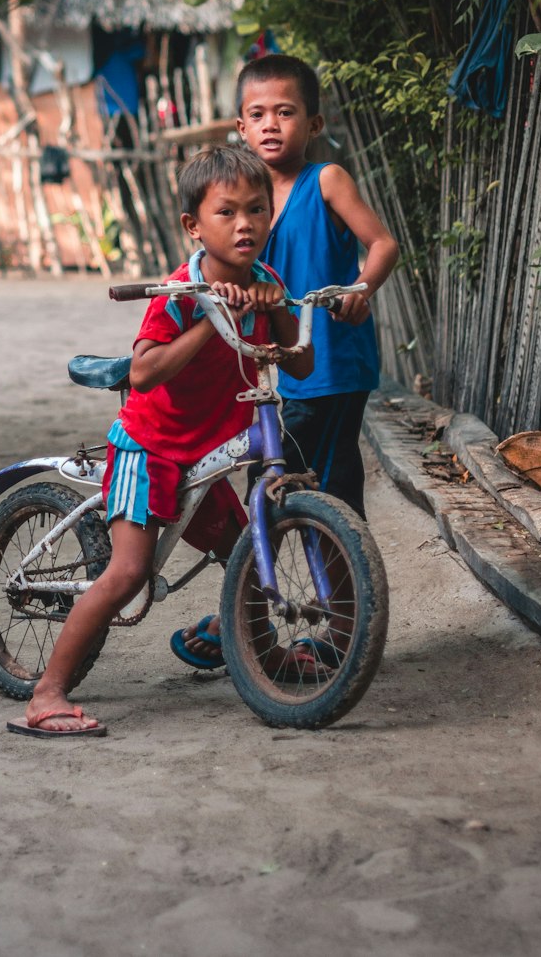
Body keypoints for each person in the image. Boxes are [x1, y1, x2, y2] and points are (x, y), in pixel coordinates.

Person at [7, 144, 314, 739]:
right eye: (226, 212)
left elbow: (299, 367)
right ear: (193, 226)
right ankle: (46, 695)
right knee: (128, 574)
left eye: (257, 209)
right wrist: (208, 316)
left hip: (206, 454)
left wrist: (276, 314)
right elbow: (143, 372)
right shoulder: (178, 292)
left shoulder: (267, 282)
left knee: (244, 554)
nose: (245, 223)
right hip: (151, 449)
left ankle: (247, 647)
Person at [174, 54, 400, 667]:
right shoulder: (240, 198)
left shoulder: (325, 180)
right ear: (238, 128)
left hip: (326, 367)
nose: (271, 124)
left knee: (323, 499)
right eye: (257, 114)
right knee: (270, 493)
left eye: (285, 111)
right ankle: (255, 623)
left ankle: (327, 630)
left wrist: (360, 286)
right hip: (265, 373)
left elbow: (383, 243)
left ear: (314, 121)